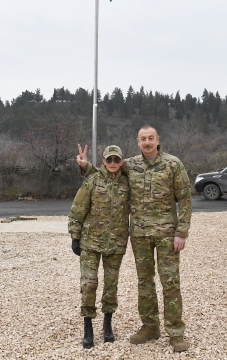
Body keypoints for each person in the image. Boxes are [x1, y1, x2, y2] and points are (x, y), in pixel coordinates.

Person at [77, 125, 192, 353]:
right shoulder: (130, 165)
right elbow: (107, 174)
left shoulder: (173, 164)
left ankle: (176, 333)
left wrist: (182, 232)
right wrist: (86, 167)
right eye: (143, 139)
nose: (147, 142)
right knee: (145, 282)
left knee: (170, 282)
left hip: (166, 235)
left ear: (158, 140)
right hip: (139, 235)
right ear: (138, 142)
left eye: (151, 138)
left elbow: (185, 199)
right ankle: (150, 326)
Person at [68, 145, 130, 349]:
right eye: (109, 160)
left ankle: (108, 325)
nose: (112, 163)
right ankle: (88, 327)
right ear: (103, 161)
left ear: (121, 162)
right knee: (89, 284)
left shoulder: (127, 183)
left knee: (111, 286)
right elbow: (78, 209)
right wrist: (75, 237)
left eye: (116, 160)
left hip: (116, 243)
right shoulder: (92, 181)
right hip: (90, 242)